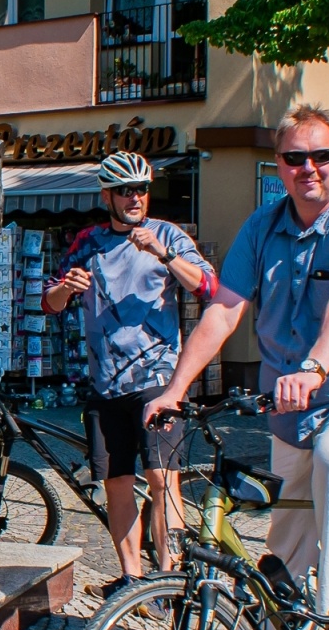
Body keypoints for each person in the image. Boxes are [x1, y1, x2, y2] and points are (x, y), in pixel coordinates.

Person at [145, 104, 329, 630]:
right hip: (291, 403)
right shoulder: (263, 227)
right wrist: (175, 390)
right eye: (296, 158)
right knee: (286, 534)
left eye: (322, 156)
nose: (310, 168)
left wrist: (316, 367)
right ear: (279, 165)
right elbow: (225, 309)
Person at [42, 151, 216, 595]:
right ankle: (131, 579)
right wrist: (65, 288)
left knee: (162, 478)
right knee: (116, 482)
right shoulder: (87, 241)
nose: (134, 197)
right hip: (105, 384)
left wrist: (164, 255)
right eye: (124, 190)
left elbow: (209, 287)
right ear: (107, 196)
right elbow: (50, 304)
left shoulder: (167, 235)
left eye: (140, 188)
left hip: (157, 380)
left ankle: (170, 578)